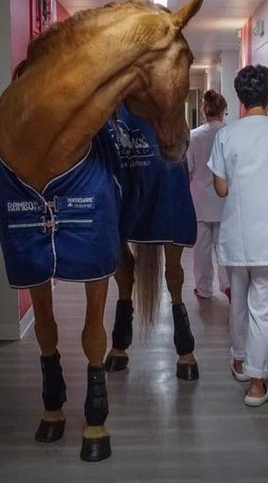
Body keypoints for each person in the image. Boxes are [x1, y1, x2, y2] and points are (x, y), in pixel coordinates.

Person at [207, 65, 268, 407]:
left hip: (237, 234)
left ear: (239, 99)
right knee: (264, 310)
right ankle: (256, 384)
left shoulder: (226, 136)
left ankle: (239, 360)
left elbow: (221, 189)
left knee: (239, 302)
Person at [103, 103, 201, 380]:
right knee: (120, 255)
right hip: (127, 178)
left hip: (165, 181)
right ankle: (120, 340)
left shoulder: (162, 101)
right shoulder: (116, 103)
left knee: (173, 270)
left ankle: (185, 348)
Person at [187, 89, 230, 301]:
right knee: (224, 246)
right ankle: (228, 283)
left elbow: (188, 169)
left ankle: (203, 288)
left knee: (201, 249)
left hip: (200, 200)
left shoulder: (194, 136)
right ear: (223, 111)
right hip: (226, 199)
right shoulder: (231, 134)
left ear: (205, 111)